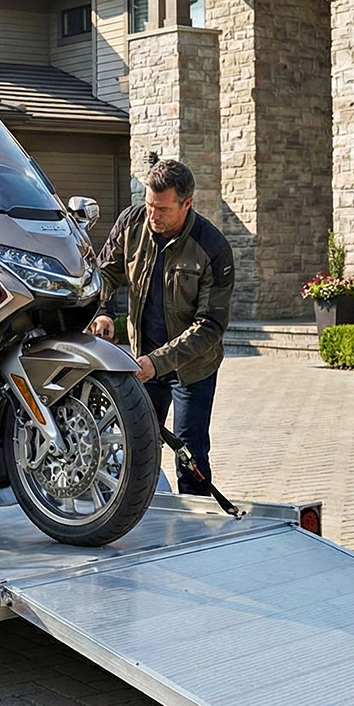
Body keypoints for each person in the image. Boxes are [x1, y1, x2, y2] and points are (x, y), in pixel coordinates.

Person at [89, 159, 234, 495]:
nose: (153, 216)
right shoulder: (132, 222)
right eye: (150, 205)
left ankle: (196, 528)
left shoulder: (212, 248)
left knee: (190, 455)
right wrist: (104, 310)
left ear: (187, 204)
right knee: (138, 450)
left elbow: (210, 326)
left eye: (163, 209)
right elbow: (104, 273)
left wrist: (159, 362)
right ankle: (136, 517)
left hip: (192, 370)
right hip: (142, 363)